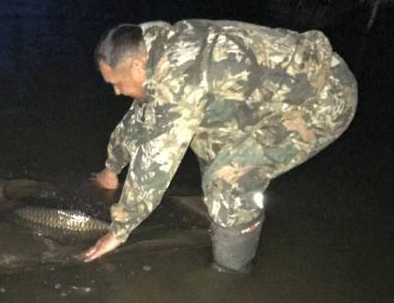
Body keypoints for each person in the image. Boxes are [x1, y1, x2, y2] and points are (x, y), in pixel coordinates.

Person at [82, 19, 357, 271]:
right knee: (205, 140)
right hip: (270, 95)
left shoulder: (180, 79)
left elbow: (155, 164)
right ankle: (223, 219)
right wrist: (111, 169)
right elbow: (141, 118)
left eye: (117, 84)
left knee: (228, 181)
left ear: (136, 67)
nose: (116, 92)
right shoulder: (147, 44)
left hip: (322, 98)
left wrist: (118, 231)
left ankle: (231, 273)